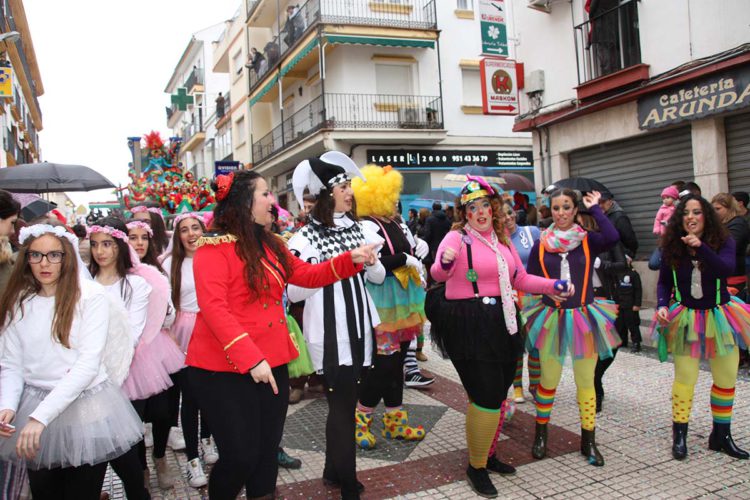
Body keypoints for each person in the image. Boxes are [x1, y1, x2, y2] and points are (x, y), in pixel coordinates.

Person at [185, 169, 378, 500]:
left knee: (265, 453)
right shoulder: (212, 249)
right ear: (245, 203)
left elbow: (305, 274)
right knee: (240, 456)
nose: (271, 201)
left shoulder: (271, 244)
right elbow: (215, 309)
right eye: (264, 193)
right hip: (222, 370)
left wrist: (351, 259)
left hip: (271, 364)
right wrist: (250, 358)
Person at [430, 177, 571, 498]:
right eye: (471, 207)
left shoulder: (502, 240)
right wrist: (445, 262)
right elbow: (438, 273)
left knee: (501, 391)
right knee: (486, 396)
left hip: (503, 321)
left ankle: (488, 455)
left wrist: (553, 287)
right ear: (463, 212)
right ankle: (475, 467)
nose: (478, 212)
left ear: (493, 209)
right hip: (468, 324)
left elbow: (520, 277)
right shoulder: (457, 238)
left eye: (483, 206)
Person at [0, 224, 143, 499]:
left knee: (81, 491)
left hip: (84, 407)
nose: (44, 263)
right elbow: (11, 364)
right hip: (34, 406)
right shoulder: (18, 301)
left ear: (67, 257)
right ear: (26, 258)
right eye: (36, 255)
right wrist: (7, 405)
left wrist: (39, 418)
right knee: (45, 491)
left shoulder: (90, 297)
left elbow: (87, 365)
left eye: (54, 255)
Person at [288, 152, 385, 500]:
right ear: (328, 194)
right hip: (329, 335)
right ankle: (347, 482)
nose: (350, 192)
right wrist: (318, 266)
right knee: (342, 407)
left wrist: (372, 262)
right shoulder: (304, 239)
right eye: (344, 187)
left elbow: (378, 276)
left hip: (359, 327)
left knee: (345, 402)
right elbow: (294, 291)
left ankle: (333, 470)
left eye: (348, 186)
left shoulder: (360, 228)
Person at [525, 188, 620, 467]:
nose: (562, 213)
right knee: (548, 381)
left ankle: (588, 440)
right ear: (549, 212)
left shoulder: (587, 240)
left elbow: (614, 237)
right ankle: (541, 433)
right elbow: (530, 279)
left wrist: (597, 209)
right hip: (551, 318)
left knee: (585, 381)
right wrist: (545, 291)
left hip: (583, 317)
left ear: (575, 210)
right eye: (556, 208)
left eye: (567, 207)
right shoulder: (540, 243)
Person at [89, 218, 183, 497]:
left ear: (119, 245)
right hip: (90, 375)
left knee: (136, 428)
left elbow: (131, 334)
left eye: (107, 244)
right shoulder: (84, 280)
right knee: (109, 444)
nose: (100, 251)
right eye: (95, 245)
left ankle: (148, 472)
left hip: (124, 368)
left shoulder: (137, 284)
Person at [654, 195, 750, 461]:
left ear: (706, 216)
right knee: (685, 379)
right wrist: (662, 304)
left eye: (697, 212)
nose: (691, 217)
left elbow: (725, 268)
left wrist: (702, 247)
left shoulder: (724, 241)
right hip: (687, 318)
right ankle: (680, 436)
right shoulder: (671, 247)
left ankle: (721, 436)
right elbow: (663, 283)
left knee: (726, 378)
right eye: (686, 212)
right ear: (679, 218)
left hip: (721, 316)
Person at [350, 165, 429, 450]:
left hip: (404, 299)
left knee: (397, 362)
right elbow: (376, 266)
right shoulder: (366, 225)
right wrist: (404, 257)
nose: (396, 200)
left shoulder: (397, 223)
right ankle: (360, 419)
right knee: (383, 365)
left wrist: (421, 246)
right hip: (381, 301)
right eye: (391, 195)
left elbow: (410, 245)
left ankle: (395, 422)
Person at [161, 213, 217, 488]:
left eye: (196, 227)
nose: (192, 233)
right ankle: (193, 460)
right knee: (190, 397)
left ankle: (207, 440)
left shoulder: (216, 257)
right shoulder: (169, 264)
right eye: (185, 230)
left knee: (209, 392)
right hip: (183, 333)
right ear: (178, 236)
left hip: (214, 330)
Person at [503, 202, 542, 404]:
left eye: (510, 213)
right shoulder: (498, 241)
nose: (508, 218)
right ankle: (517, 387)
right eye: (502, 215)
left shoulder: (532, 232)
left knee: (536, 345)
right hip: (511, 299)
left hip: (535, 296)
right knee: (517, 346)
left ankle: (535, 386)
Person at [711, 193, 750, 295]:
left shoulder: (738, 223)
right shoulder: (720, 224)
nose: (714, 212)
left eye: (718, 209)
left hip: (734, 279)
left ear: (729, 208)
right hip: (722, 277)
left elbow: (729, 246)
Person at [599, 192, 638, 257]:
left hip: (621, 254)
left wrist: (629, 254)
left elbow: (630, 239)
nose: (600, 205)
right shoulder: (604, 216)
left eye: (603, 202)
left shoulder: (620, 217)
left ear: (611, 201)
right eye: (599, 203)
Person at [422, 202, 452, 282]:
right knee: (445, 266)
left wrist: (425, 244)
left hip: (434, 247)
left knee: (437, 267)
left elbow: (427, 234)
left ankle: (438, 284)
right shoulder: (447, 219)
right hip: (446, 246)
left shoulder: (430, 219)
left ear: (433, 208)